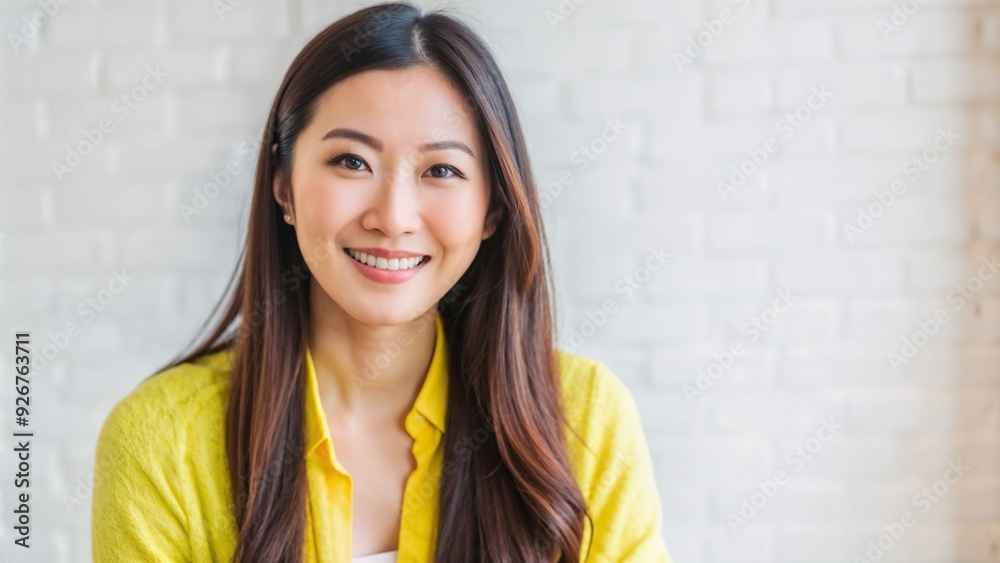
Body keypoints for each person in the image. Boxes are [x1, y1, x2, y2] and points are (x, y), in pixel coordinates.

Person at [91, 3, 672, 562]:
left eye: (441, 170)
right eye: (351, 161)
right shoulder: (161, 441)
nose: (393, 218)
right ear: (283, 185)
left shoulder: (586, 419)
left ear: (492, 209)